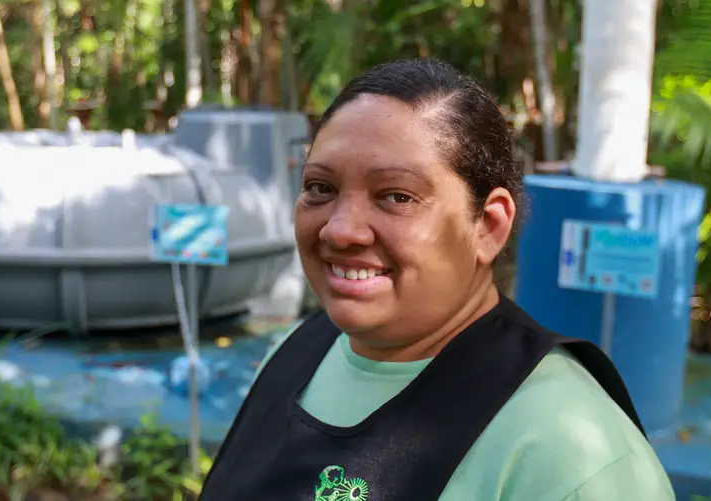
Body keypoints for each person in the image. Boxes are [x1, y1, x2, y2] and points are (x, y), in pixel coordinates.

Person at [199, 59, 675, 501]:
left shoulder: (569, 452)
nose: (340, 230)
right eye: (320, 187)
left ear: (488, 226)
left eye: (397, 196)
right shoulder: (293, 356)